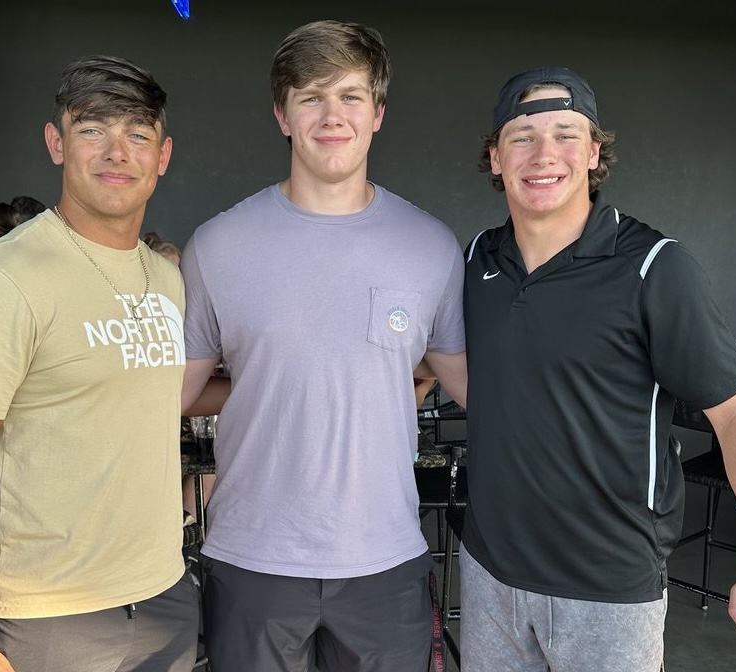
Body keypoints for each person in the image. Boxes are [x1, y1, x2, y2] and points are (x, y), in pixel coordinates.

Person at [458, 66, 736, 671]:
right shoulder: (477, 261)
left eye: (565, 133)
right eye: (522, 136)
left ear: (595, 152)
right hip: (488, 574)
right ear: (495, 158)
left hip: (606, 588)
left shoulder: (655, 267)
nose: (543, 154)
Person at [179, 20, 467, 672]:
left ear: (378, 113)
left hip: (384, 559)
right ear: (282, 114)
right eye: (311, 97)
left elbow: (473, 382)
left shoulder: (430, 247)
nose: (331, 115)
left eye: (350, 96)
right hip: (252, 560)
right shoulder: (218, 245)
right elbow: (174, 392)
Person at [0, 55, 205, 672]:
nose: (117, 152)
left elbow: (137, 399)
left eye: (138, 134)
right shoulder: (2, 282)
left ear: (163, 154)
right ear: (56, 143)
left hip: (162, 596)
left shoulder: (167, 279)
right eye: (93, 128)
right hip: (47, 616)